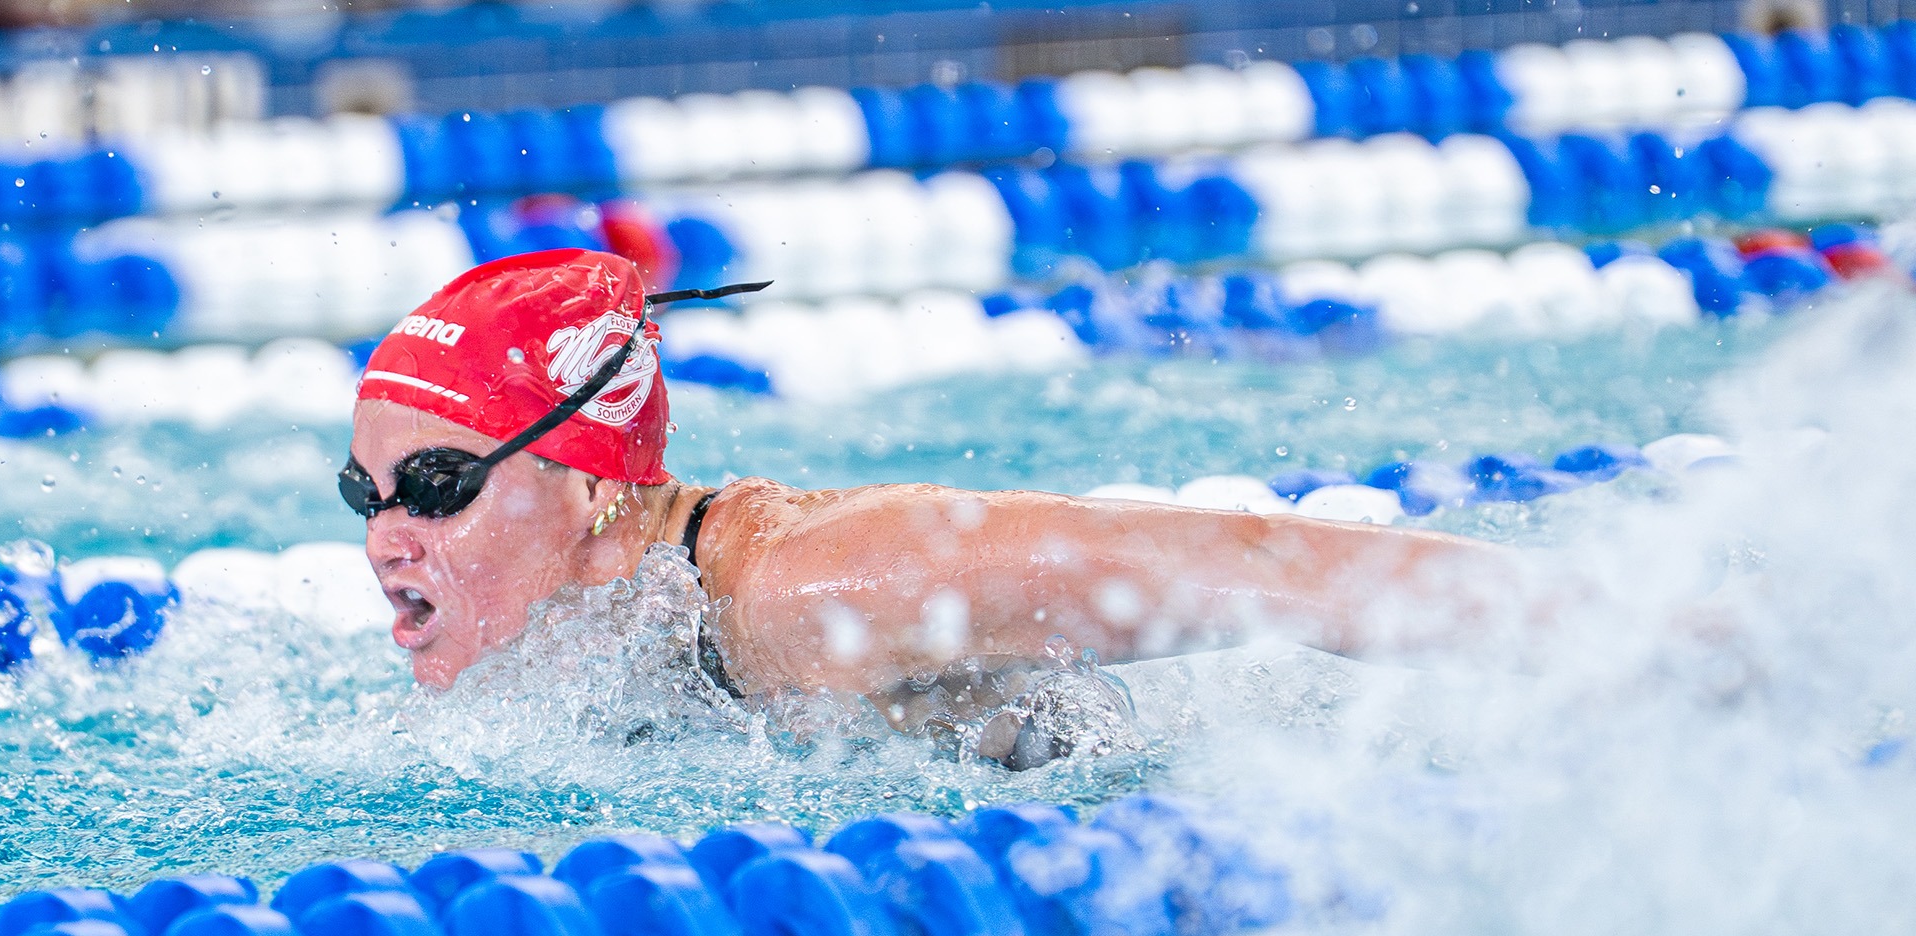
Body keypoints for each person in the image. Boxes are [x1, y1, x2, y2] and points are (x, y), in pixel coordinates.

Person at [346, 249, 1530, 767]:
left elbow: (1267, 567)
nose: (385, 535)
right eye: (366, 491)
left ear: (597, 485)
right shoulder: (591, 645)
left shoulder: (819, 591)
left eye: (438, 486)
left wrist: (1647, 638)